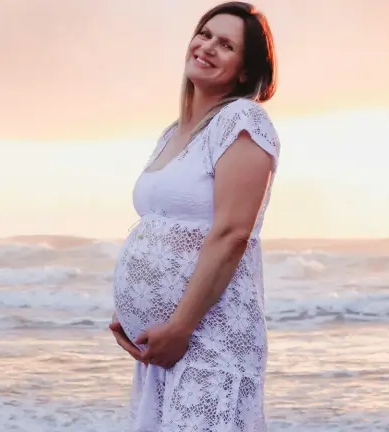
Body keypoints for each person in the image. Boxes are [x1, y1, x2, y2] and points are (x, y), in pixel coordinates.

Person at [109, 2, 279, 430]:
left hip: (209, 341)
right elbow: (161, 227)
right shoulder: (174, 132)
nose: (207, 47)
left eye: (226, 45)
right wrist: (133, 313)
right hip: (166, 346)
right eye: (204, 34)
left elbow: (232, 233)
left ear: (244, 71)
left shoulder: (242, 120)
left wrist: (180, 327)